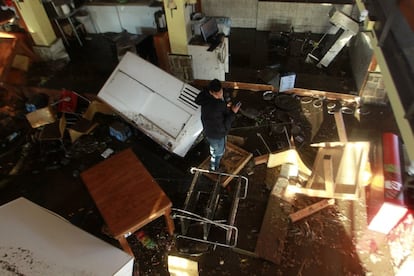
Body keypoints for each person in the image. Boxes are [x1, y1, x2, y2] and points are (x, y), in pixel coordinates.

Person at [195, 79, 241, 172]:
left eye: (220, 91)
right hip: (217, 134)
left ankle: (214, 159)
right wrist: (233, 112)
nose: (220, 95)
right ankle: (214, 167)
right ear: (211, 92)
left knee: (214, 149)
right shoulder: (218, 105)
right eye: (217, 93)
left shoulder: (205, 98)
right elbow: (225, 123)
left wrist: (225, 106)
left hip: (208, 131)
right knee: (219, 152)